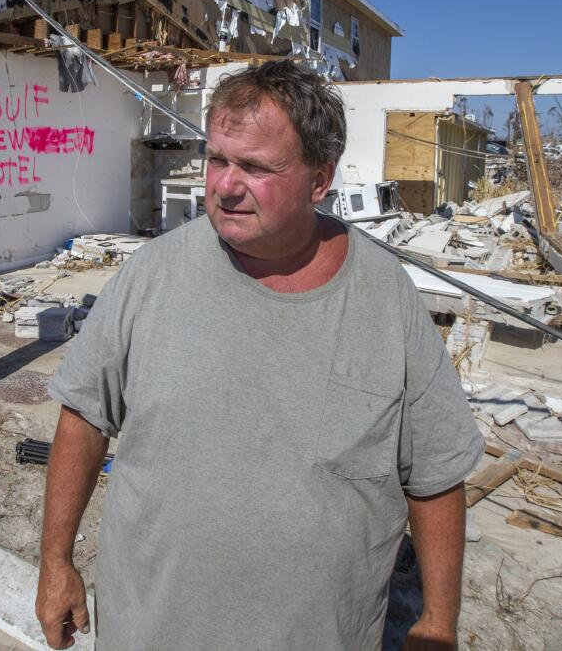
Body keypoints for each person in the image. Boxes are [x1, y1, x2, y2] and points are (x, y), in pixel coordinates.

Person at [35, 60, 484, 650]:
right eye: (218, 158)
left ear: (319, 181)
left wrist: (436, 623)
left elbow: (434, 473)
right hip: (150, 629)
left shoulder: (384, 296)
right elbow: (84, 420)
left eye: (255, 166)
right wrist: (55, 563)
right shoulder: (150, 275)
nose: (224, 184)